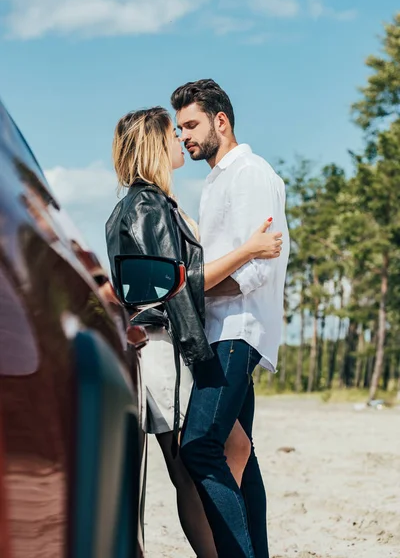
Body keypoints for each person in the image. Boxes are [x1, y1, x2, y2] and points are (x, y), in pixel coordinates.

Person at [105, 107, 283, 558]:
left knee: (224, 451)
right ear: (153, 144)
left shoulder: (153, 204)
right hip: (167, 349)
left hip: (169, 346)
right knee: (191, 465)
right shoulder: (146, 205)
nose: (179, 140)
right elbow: (179, 281)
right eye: (172, 132)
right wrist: (249, 250)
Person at [171, 79, 290, 558]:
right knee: (245, 457)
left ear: (221, 120)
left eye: (192, 125)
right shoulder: (217, 178)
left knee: (199, 446)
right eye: (179, 129)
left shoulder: (251, 174)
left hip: (236, 331)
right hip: (218, 331)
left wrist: (192, 287)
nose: (184, 136)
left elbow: (255, 272)